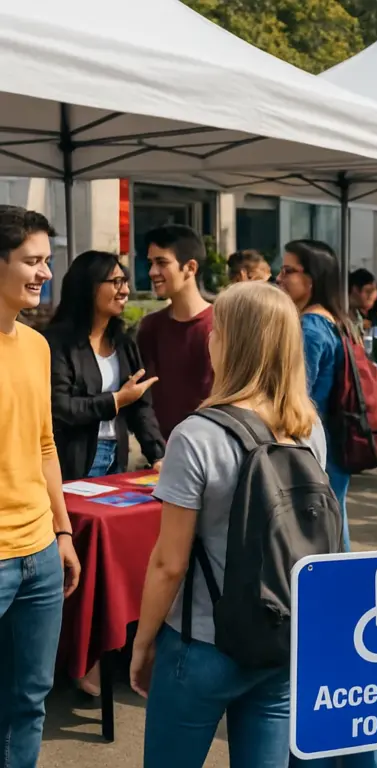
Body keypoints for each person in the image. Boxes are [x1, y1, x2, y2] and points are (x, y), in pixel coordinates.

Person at [131, 282, 327, 768]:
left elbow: (168, 564)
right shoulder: (309, 429)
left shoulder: (196, 435)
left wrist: (143, 641)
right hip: (281, 636)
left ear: (231, 343)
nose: (210, 337)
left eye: (217, 330)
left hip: (202, 641)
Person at [0, 205, 81, 765]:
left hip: (40, 554)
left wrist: (63, 532)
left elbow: (45, 445)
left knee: (30, 701)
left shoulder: (36, 344)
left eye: (46, 261)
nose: (44, 273)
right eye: (32, 261)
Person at [45, 251, 165, 482]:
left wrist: (158, 454)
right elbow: (60, 407)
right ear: (88, 286)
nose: (125, 291)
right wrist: (116, 400)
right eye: (116, 282)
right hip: (71, 462)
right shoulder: (56, 344)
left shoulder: (124, 343)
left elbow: (140, 406)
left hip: (116, 457)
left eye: (126, 282)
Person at [277, 239, 354, 552]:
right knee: (335, 519)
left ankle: (343, 590)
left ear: (310, 279)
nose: (279, 278)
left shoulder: (309, 326)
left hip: (314, 440)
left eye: (287, 270)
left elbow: (298, 392)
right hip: (333, 436)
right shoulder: (337, 319)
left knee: (327, 528)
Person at [137, 225, 214, 440]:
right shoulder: (150, 327)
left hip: (211, 449)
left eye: (162, 263)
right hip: (162, 454)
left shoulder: (222, 325)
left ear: (190, 267)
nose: (152, 272)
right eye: (151, 263)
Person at [348, 268, 377, 333]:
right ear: (355, 289)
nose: (374, 295)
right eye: (368, 291)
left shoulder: (358, 315)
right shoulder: (340, 315)